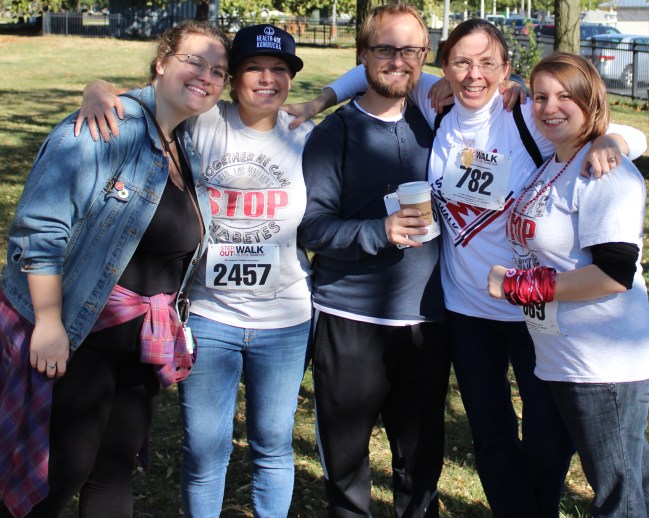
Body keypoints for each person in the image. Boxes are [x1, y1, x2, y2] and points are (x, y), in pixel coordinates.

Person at [308, 18, 647, 517]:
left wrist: (611, 143)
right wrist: (317, 101)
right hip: (466, 310)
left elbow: (627, 132)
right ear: (442, 67)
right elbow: (378, 64)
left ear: (507, 69)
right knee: (491, 435)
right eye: (462, 62)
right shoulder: (435, 103)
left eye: (488, 63)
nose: (474, 75)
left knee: (546, 441)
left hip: (534, 313)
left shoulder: (527, 114)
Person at [76, 24, 314, 517]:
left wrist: (328, 97)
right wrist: (96, 89)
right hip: (208, 316)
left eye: (279, 70)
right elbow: (147, 103)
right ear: (232, 79)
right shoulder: (204, 122)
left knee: (273, 444)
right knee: (205, 449)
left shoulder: (306, 137)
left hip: (285, 320)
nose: (267, 79)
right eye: (253, 68)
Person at [0, 21, 227, 518]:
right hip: (81, 335)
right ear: (161, 62)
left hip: (140, 343)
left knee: (114, 471)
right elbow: (40, 230)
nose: (206, 76)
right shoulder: (105, 129)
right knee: (58, 476)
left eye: (218, 71)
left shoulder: (183, 143)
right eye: (194, 61)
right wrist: (49, 323)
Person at [298, 5, 450, 516]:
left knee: (421, 464)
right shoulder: (334, 134)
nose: (398, 61)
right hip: (351, 319)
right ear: (362, 55)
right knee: (346, 466)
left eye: (411, 50)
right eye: (385, 49)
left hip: (427, 321)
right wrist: (378, 231)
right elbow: (312, 227)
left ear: (424, 57)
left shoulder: (441, 123)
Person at [488, 52, 649, 518]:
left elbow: (614, 274)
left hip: (603, 362)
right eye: (540, 97)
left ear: (590, 100)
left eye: (564, 96)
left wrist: (520, 286)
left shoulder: (604, 171)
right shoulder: (555, 163)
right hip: (564, 358)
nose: (549, 107)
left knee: (618, 495)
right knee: (634, 479)